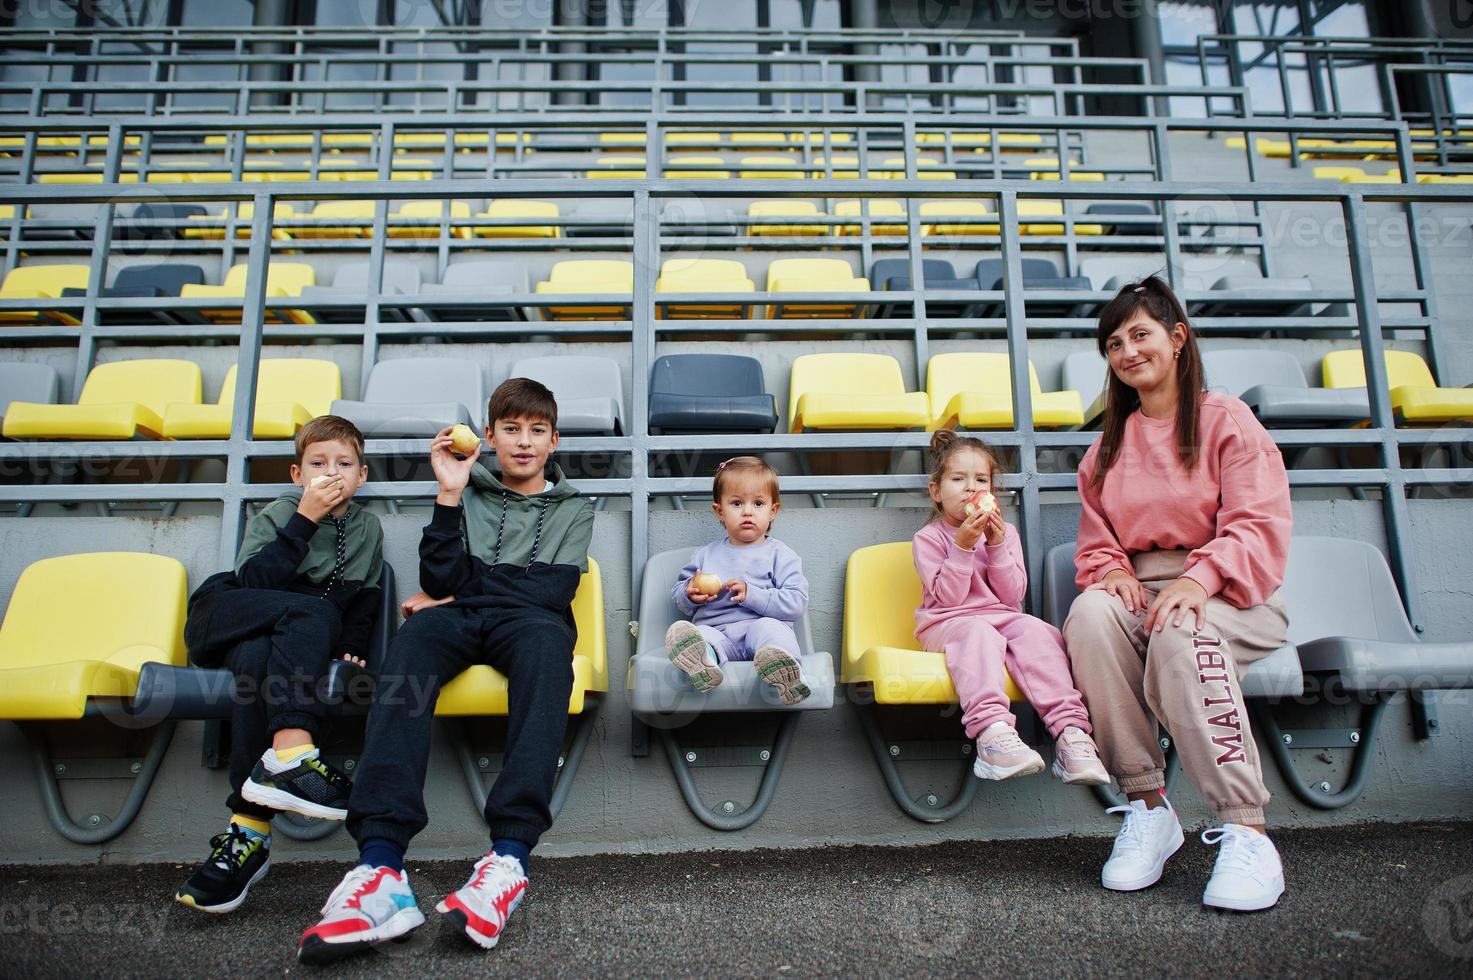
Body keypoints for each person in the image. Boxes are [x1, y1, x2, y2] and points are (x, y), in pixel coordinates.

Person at [297, 378, 594, 962]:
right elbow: (438, 576)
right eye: (511, 429)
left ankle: (508, 859)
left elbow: (552, 591)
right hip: (459, 619)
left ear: (554, 440)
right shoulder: (467, 491)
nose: (524, 442)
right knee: (410, 645)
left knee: (547, 650)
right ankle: (380, 868)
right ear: (489, 436)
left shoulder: (575, 508)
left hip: (529, 624)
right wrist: (449, 494)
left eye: (537, 431)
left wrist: (462, 593)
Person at [1064, 275, 1293, 912]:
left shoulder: (1227, 420)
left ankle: (1247, 829)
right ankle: (1147, 806)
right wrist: (1109, 569)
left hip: (1228, 592)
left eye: (1141, 334)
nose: (1128, 351)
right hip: (1144, 589)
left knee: (1180, 630)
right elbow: (1096, 540)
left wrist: (1198, 578)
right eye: (1114, 344)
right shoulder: (1105, 449)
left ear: (1178, 338)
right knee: (1087, 615)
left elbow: (1257, 522)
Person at [175, 415, 383, 914]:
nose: (331, 472)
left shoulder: (367, 528)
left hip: (270, 646)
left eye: (343, 463)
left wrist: (350, 646)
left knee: (259, 664)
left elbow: (366, 599)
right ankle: (293, 751)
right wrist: (305, 518)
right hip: (226, 614)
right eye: (317, 463)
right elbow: (254, 587)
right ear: (297, 474)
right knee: (310, 611)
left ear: (363, 474)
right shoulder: (279, 512)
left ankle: (247, 834)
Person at [913, 429, 1109, 784]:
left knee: (1038, 630)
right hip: (948, 622)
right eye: (958, 479)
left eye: (981, 480)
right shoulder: (928, 539)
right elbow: (949, 598)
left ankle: (1071, 734)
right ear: (936, 492)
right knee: (977, 631)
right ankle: (992, 733)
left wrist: (997, 544)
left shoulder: (1006, 534)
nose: (971, 488)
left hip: (1000, 616)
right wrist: (963, 547)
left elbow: (1011, 596)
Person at [666, 456, 810, 705]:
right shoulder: (705, 555)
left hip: (760, 633)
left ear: (773, 510)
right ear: (719, 511)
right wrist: (690, 593)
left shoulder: (780, 555)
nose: (747, 511)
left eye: (758, 503)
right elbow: (680, 596)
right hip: (720, 634)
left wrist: (752, 594)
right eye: (736, 503)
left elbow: (796, 602)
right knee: (701, 635)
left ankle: (783, 671)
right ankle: (704, 664)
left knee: (772, 631)